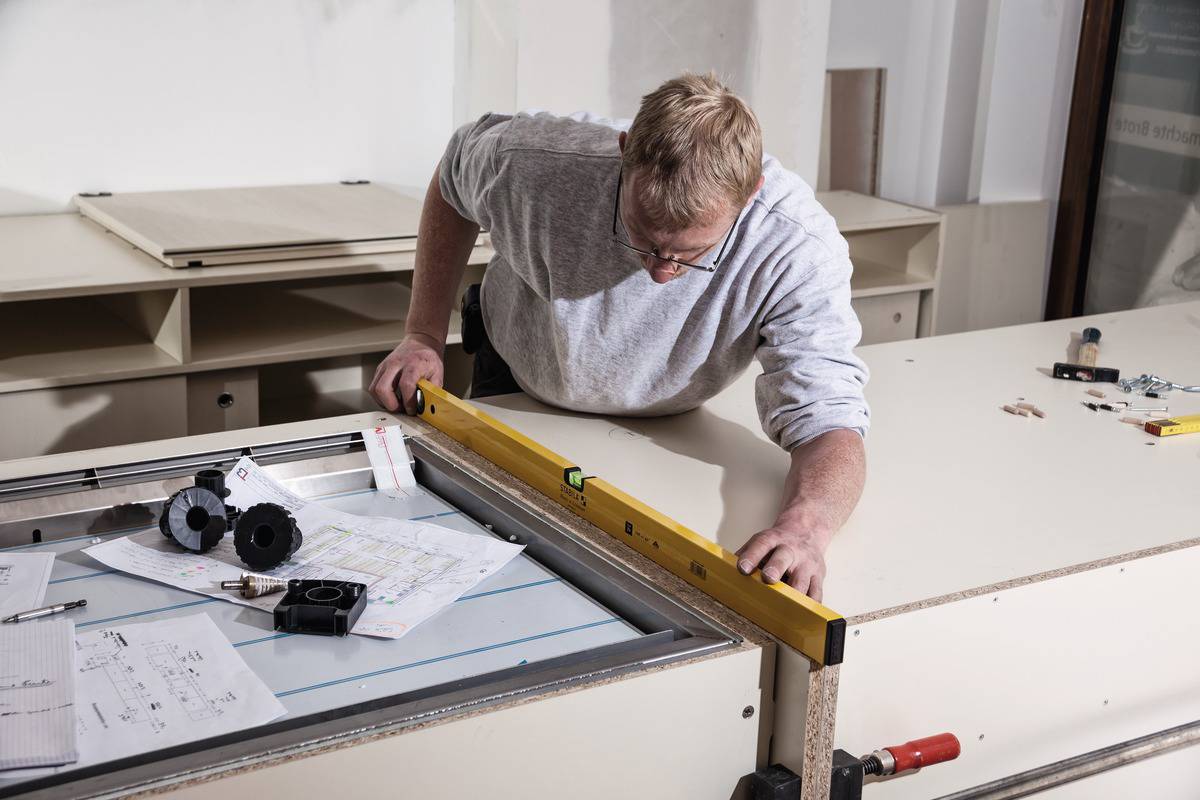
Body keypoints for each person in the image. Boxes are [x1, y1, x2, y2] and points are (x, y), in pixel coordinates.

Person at [370, 73, 868, 601]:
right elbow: (451, 182)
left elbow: (831, 420)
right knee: (485, 572)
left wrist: (805, 528)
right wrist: (422, 333)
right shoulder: (530, 160)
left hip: (674, 422)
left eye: (690, 254)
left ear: (751, 194)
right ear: (624, 153)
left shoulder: (797, 245)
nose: (660, 271)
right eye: (643, 236)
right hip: (518, 381)